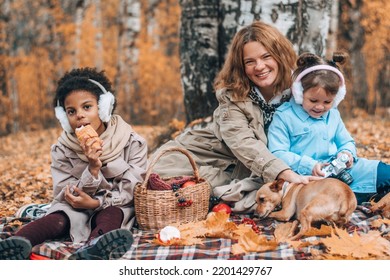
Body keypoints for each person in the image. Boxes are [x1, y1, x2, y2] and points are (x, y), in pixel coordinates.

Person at [150, 21, 316, 214]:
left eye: (266, 56)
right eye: (250, 61)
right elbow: (242, 142)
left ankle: (227, 192)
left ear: (280, 55)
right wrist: (283, 173)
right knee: (159, 172)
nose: (259, 66)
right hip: (212, 156)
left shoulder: (301, 89)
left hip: (259, 167)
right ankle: (217, 191)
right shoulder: (232, 96)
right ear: (241, 66)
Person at [0, 67, 148, 260]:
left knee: (110, 215)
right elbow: (63, 189)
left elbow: (131, 190)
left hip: (116, 204)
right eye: (71, 111)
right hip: (75, 207)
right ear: (63, 117)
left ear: (104, 108)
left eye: (87, 107)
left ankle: (94, 249)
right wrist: (92, 169)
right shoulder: (62, 148)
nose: (79, 115)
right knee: (58, 218)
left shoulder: (132, 142)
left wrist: (97, 202)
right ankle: (16, 244)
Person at [267, 52, 390, 204]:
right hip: (306, 177)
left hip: (339, 170)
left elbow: (346, 141)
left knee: (385, 173)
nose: (320, 106)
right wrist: (310, 165)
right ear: (299, 93)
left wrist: (346, 153)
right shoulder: (284, 116)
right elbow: (277, 153)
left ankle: (365, 195)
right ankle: (356, 197)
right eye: (313, 100)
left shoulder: (333, 114)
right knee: (326, 196)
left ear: (337, 98)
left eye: (327, 102)